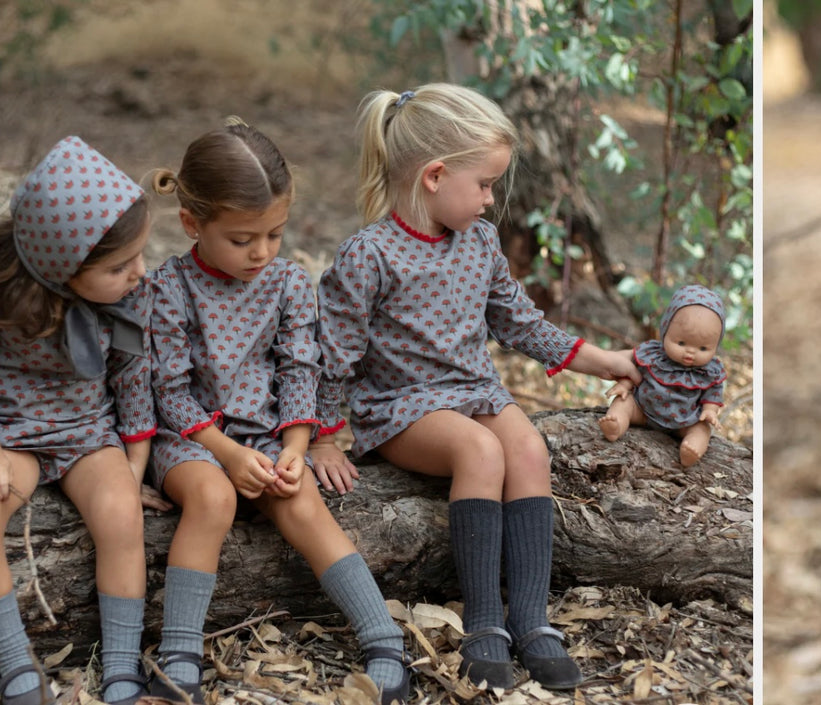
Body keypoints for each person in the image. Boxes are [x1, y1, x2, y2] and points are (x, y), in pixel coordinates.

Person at [309, 83, 641, 692]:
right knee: (480, 451)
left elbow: (518, 321)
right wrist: (326, 437)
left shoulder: (479, 242)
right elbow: (333, 354)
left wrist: (602, 361)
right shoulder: (369, 256)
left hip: (475, 391)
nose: (491, 201)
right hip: (402, 408)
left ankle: (533, 621)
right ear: (435, 175)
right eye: (484, 184)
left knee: (530, 450)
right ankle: (485, 623)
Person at [145, 118, 411, 705]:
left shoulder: (290, 283)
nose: (261, 251)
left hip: (266, 435)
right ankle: (178, 660)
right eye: (242, 239)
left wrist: (294, 449)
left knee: (302, 499)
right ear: (192, 223)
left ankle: (385, 640)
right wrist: (226, 452)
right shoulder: (169, 288)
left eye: (275, 233)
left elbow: (299, 372)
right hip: (192, 438)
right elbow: (169, 390)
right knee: (212, 498)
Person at [0, 136, 167, 705]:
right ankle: (17, 667)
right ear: (59, 265)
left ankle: (120, 664)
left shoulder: (130, 297)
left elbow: (131, 381)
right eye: (120, 265)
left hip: (89, 435)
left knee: (120, 515)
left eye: (139, 255)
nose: (140, 272)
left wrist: (134, 467)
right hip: (9, 435)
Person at [598, 285, 728, 467]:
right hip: (643, 409)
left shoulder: (710, 371)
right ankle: (616, 424)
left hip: (685, 419)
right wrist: (625, 385)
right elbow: (635, 370)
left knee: (702, 429)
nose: (690, 352)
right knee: (623, 402)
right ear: (665, 330)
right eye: (681, 342)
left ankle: (691, 450)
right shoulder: (653, 355)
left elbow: (713, 393)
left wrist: (710, 411)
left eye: (703, 348)